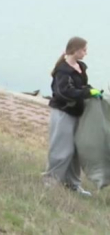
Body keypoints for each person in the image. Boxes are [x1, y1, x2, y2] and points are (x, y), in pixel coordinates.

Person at [45, 36, 102, 196]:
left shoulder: (81, 67)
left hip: (77, 113)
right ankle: (51, 181)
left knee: (76, 150)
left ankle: (72, 184)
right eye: (84, 50)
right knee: (61, 149)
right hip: (63, 113)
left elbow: (81, 86)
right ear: (75, 50)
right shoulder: (62, 70)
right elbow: (64, 92)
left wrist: (93, 91)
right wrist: (86, 92)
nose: (86, 53)